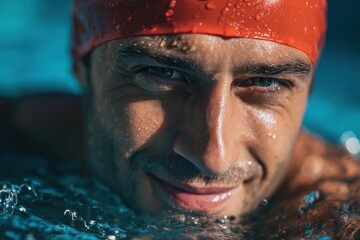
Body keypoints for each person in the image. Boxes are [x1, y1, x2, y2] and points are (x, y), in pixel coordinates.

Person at [1, 0, 359, 238]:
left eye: (265, 82)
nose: (213, 156)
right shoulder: (15, 135)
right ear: (83, 65)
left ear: (309, 89)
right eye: (161, 73)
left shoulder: (340, 213)